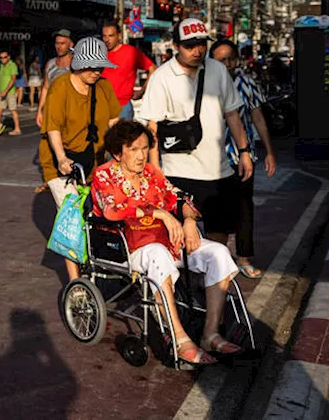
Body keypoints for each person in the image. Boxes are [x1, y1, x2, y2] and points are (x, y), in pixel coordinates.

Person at [91, 120, 244, 366]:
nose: (141, 156)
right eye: (134, 149)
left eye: (144, 148)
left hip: (168, 240)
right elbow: (113, 210)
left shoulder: (152, 173)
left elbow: (178, 196)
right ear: (118, 152)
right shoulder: (104, 174)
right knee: (158, 254)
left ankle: (211, 334)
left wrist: (189, 220)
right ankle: (180, 339)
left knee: (217, 252)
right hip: (130, 247)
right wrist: (160, 213)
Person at [137, 19, 254, 256]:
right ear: (176, 45)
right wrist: (155, 170)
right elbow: (153, 129)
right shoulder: (162, 77)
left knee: (219, 233)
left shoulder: (218, 70)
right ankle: (186, 283)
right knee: (180, 232)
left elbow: (232, 114)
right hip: (178, 172)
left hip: (218, 170)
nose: (197, 51)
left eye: (201, 44)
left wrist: (244, 152)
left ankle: (211, 280)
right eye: (190, 45)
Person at [36, 37, 122, 280]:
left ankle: (99, 263)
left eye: (100, 67)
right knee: (72, 217)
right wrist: (62, 158)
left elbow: (114, 123)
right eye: (91, 66)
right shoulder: (60, 86)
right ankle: (75, 280)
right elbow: (52, 128)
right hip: (59, 160)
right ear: (78, 63)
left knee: (99, 213)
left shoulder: (103, 87)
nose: (96, 72)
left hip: (92, 160)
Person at [210, 39, 278, 278]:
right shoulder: (203, 83)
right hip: (209, 158)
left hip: (241, 157)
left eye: (230, 59)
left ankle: (243, 257)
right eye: (221, 60)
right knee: (214, 210)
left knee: (243, 208)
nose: (227, 64)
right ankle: (216, 260)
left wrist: (269, 151)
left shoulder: (245, 83)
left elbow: (258, 118)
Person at [101, 21, 156, 120]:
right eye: (104, 36)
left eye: (111, 36)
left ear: (119, 36)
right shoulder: (98, 53)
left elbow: (153, 69)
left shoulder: (130, 52)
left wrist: (142, 91)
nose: (107, 40)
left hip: (122, 107)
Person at [0, 50, 22, 135]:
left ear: (8, 57)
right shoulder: (1, 66)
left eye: (4, 57)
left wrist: (6, 91)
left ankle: (17, 129)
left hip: (10, 92)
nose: (2, 59)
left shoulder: (12, 65)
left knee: (13, 110)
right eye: (1, 57)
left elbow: (13, 79)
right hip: (1, 91)